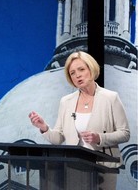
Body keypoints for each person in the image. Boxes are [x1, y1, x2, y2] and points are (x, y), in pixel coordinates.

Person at [28, 51, 130, 190]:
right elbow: (58, 138)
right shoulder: (66, 102)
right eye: (72, 73)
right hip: (75, 167)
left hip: (104, 166)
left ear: (91, 69)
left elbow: (125, 133)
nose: (77, 75)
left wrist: (99, 138)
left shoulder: (111, 98)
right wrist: (44, 127)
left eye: (81, 69)